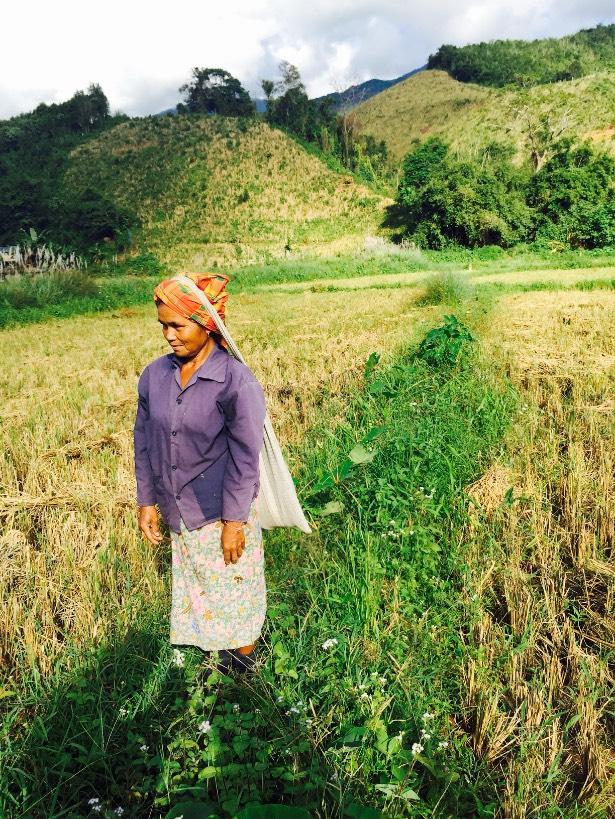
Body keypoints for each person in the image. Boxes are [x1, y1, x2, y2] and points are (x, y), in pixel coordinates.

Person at [133, 272, 267, 672]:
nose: (169, 335)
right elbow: (143, 441)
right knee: (205, 594)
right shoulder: (155, 376)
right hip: (179, 510)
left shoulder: (234, 381)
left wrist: (234, 522)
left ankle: (244, 678)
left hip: (221, 512)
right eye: (163, 326)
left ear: (206, 324)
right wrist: (146, 501)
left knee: (235, 592)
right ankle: (216, 667)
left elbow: (246, 456)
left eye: (177, 325)